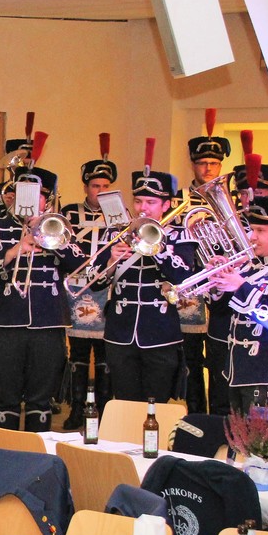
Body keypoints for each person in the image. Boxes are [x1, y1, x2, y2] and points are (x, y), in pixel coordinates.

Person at [0, 161, 83, 432]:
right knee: (6, 396)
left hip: (48, 323)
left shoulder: (60, 229)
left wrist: (50, 237)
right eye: (24, 192)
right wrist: (12, 252)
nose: (32, 200)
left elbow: (80, 264)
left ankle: (37, 449)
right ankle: (3, 449)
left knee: (40, 398)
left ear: (48, 200)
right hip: (4, 322)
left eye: (39, 195)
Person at [97, 169, 196, 403]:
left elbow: (183, 276)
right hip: (121, 332)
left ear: (166, 205)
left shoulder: (179, 234)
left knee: (156, 404)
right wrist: (111, 261)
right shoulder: (116, 233)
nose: (143, 208)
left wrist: (156, 247)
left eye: (151, 202)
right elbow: (95, 282)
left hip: (160, 332)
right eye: (138, 201)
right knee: (125, 402)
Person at [59, 138, 117, 427]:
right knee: (78, 354)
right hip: (76, 290)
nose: (101, 191)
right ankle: (76, 408)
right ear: (86, 187)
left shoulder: (120, 216)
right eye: (95, 186)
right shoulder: (69, 212)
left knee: (105, 354)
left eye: (106, 186)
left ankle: (105, 411)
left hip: (108, 289)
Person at [179, 116, 231, 413]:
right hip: (191, 284)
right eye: (202, 163)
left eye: (214, 163)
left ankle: (219, 415)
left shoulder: (231, 201)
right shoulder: (179, 201)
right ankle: (196, 413)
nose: (208, 169)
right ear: (193, 165)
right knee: (191, 357)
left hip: (222, 287)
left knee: (219, 356)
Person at [215, 196, 268, 412]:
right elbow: (219, 311)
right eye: (251, 229)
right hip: (237, 371)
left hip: (267, 376)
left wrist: (239, 286)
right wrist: (218, 279)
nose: (251, 236)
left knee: (261, 435)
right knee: (236, 433)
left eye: (260, 230)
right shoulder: (249, 267)